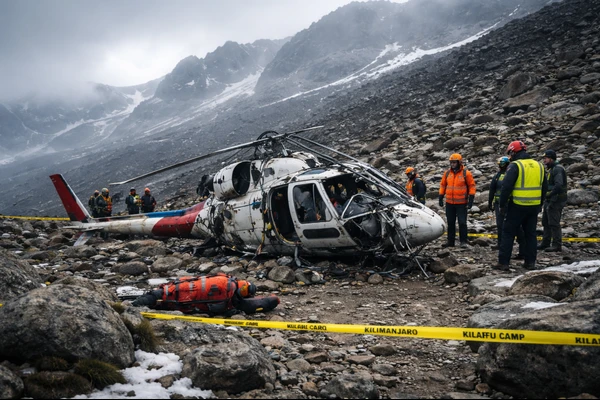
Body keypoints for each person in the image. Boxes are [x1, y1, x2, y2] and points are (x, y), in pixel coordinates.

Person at [494, 141, 547, 271]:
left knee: (508, 233)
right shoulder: (539, 165)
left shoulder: (515, 166)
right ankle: (530, 262)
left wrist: (502, 204)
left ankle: (503, 262)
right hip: (534, 206)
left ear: (513, 152)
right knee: (530, 234)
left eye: (510, 153)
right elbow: (544, 187)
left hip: (517, 205)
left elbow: (506, 187)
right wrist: (540, 203)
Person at [131, 274, 280, 315]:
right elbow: (265, 303)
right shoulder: (233, 302)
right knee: (160, 301)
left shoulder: (225, 278)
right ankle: (132, 306)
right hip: (182, 301)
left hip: (176, 290)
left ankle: (133, 305)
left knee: (158, 296)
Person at [439, 153, 476, 248]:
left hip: (461, 203)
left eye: (454, 162)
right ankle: (450, 241)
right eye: (451, 162)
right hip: (449, 203)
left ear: (459, 162)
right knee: (450, 222)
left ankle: (463, 241)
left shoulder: (465, 173)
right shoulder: (447, 173)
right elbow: (443, 185)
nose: (452, 164)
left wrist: (471, 199)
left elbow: (471, 186)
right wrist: (441, 196)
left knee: (462, 222)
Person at [538, 149, 567, 252]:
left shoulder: (557, 169)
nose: (544, 160)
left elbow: (558, 185)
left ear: (551, 158)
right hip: (550, 200)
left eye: (545, 158)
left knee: (554, 223)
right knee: (546, 222)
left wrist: (550, 194)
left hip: (556, 200)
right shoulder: (552, 169)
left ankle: (556, 244)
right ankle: (545, 243)